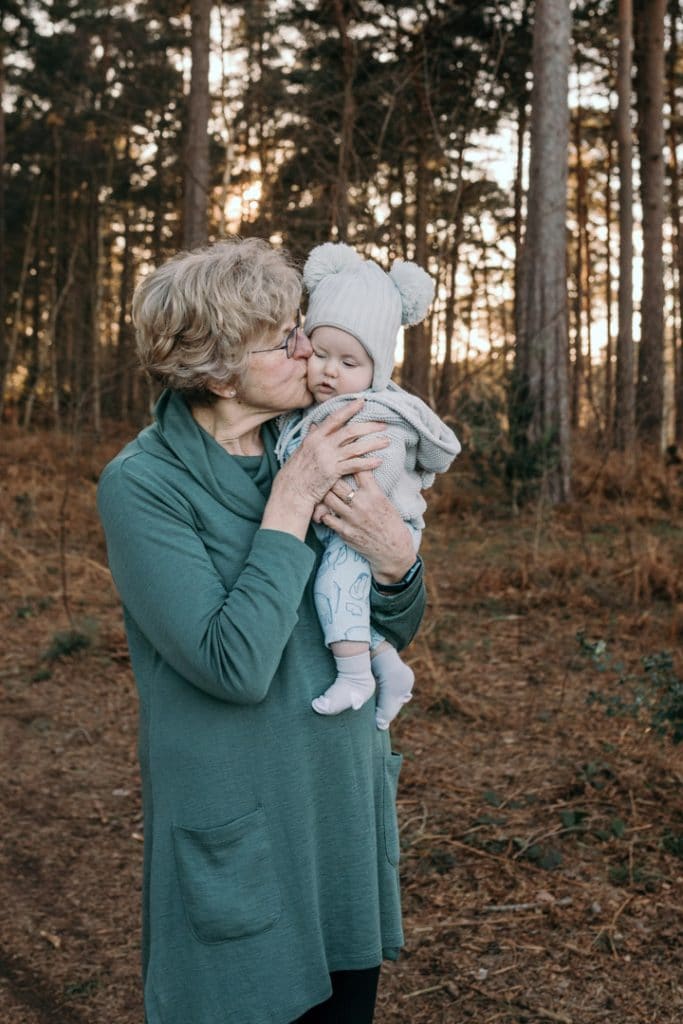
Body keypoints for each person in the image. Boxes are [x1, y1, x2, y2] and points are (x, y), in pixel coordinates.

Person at [97, 237, 427, 1024]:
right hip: (240, 822)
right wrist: (292, 497)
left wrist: (395, 565)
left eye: (300, 326)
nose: (309, 348)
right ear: (216, 372)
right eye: (284, 340)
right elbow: (232, 664)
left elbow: (395, 625)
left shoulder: (319, 432)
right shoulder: (143, 484)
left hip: (337, 808)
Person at [276, 243, 460, 729]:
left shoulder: (370, 411)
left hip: (373, 522)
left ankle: (356, 677)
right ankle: (387, 667)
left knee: (336, 585)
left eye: (349, 362)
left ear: (376, 370)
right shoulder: (320, 406)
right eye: (320, 354)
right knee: (346, 599)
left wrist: (313, 490)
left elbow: (376, 473)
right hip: (356, 525)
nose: (331, 370)